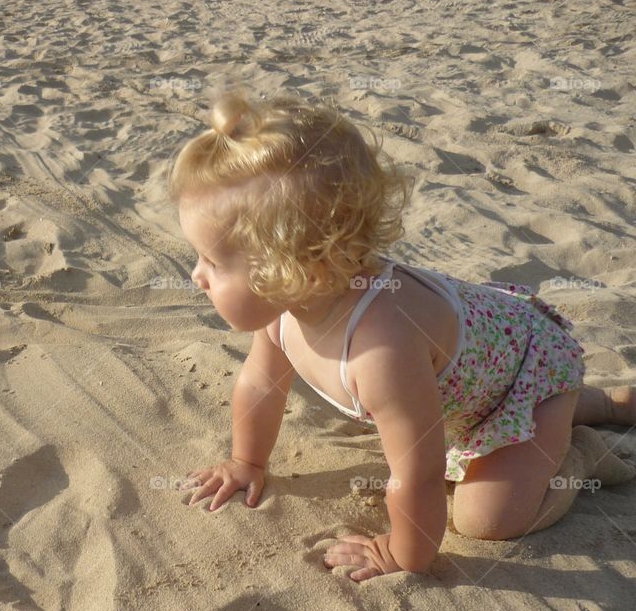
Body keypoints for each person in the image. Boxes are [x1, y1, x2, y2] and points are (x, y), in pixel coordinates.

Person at [167, 84, 636, 582]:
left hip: (525, 370)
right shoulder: (288, 307)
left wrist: (401, 552)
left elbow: (418, 473)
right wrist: (246, 462)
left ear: (295, 267)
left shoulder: (382, 350)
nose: (197, 276)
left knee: (488, 519)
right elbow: (261, 386)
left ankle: (574, 450)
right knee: (514, 411)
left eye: (213, 262)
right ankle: (596, 406)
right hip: (483, 386)